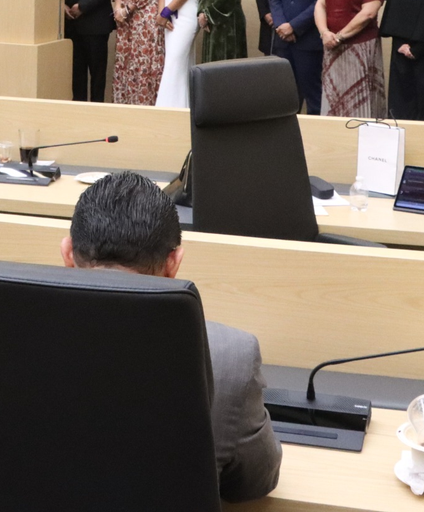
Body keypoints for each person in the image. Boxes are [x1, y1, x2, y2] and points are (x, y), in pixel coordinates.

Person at [59, 171, 281, 503]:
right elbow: (254, 484)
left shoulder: (5, 346)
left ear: (67, 254)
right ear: (174, 263)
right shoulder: (231, 359)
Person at [315, 0, 387, 118]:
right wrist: (324, 33)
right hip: (331, 46)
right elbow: (320, 5)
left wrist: (339, 37)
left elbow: (368, 14)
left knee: (359, 102)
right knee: (333, 98)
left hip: (359, 48)